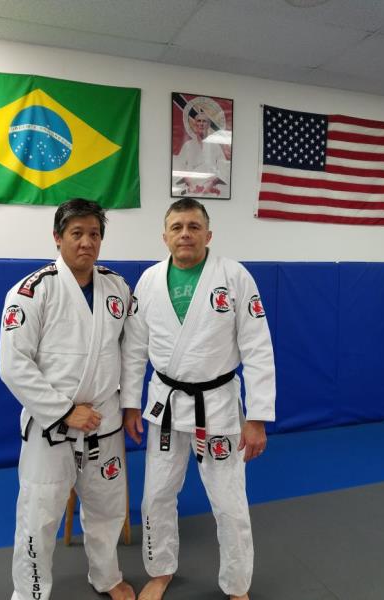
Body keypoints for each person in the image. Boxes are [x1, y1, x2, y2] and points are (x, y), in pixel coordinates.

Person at [120, 197, 276, 600]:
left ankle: (237, 586)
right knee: (156, 497)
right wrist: (130, 404)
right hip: (166, 407)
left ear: (208, 234)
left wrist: (257, 416)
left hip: (218, 406)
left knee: (229, 504)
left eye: (193, 226)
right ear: (165, 236)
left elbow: (258, 347)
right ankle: (160, 570)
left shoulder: (234, 277)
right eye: (177, 227)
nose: (185, 234)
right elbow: (134, 348)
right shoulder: (149, 281)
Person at [0, 198, 135, 600]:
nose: (86, 242)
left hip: (103, 423)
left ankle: (107, 577)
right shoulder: (31, 291)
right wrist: (64, 411)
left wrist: (128, 404)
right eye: (77, 233)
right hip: (52, 428)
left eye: (94, 234)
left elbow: (132, 351)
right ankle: (30, 592)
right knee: (38, 516)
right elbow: (13, 365)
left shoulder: (117, 287)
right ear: (58, 238)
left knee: (107, 509)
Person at [174, 110, 229, 197]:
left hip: (210, 190)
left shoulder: (215, 146)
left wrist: (211, 184)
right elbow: (179, 168)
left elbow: (223, 169)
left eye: (204, 121)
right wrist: (190, 183)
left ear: (209, 125)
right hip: (191, 191)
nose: (201, 124)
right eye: (199, 121)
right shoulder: (188, 145)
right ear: (195, 124)